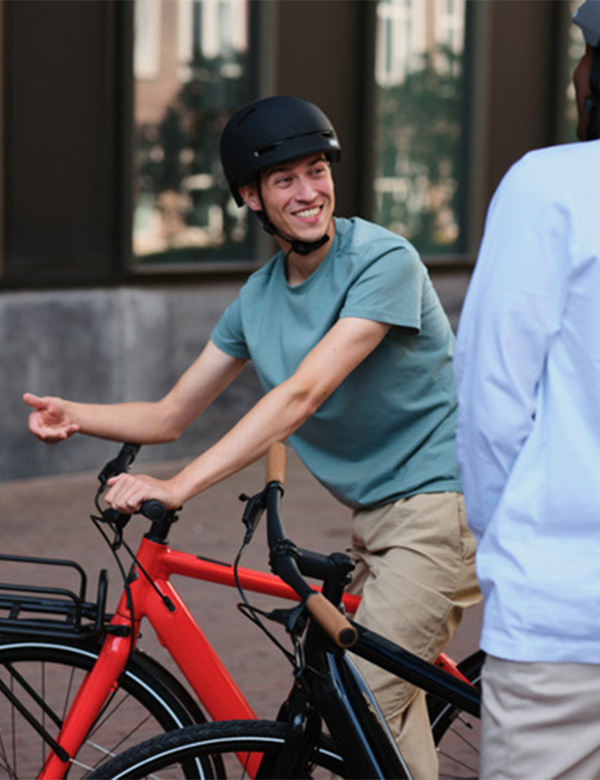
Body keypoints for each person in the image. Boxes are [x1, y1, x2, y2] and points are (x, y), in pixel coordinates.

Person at [25, 95, 480, 778]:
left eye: (317, 170)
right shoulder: (259, 298)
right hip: (375, 518)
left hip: (439, 507)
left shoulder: (384, 261)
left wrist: (178, 484)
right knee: (379, 706)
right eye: (285, 179)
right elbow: (171, 413)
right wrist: (77, 414)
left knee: (361, 696)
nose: (309, 192)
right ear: (251, 196)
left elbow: (303, 393)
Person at [453, 2, 600, 778]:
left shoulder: (551, 187)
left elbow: (490, 406)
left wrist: (506, 542)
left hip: (566, 620)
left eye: (586, 54)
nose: (577, 72)